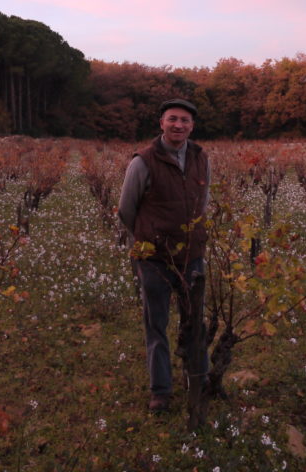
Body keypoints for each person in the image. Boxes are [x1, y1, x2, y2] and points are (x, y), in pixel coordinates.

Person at [118, 98, 210, 412]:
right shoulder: (142, 161)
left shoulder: (200, 157)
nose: (178, 125)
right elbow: (126, 209)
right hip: (154, 258)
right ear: (161, 123)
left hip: (192, 255)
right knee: (156, 324)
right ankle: (161, 391)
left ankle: (199, 378)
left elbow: (203, 201)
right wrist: (148, 238)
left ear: (192, 126)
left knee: (195, 321)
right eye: (172, 119)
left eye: (185, 120)